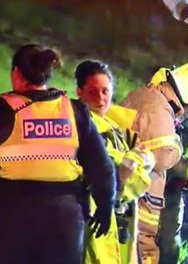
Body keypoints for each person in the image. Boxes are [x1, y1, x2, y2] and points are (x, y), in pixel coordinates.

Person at [0, 44, 116, 264]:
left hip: (11, 219)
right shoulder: (74, 112)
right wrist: (105, 206)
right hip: (64, 221)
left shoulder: (4, 109)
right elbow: (102, 167)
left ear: (16, 73)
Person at [120, 62, 188, 264]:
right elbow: (167, 160)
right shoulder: (157, 112)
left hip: (161, 184)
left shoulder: (174, 98)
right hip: (139, 191)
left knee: (168, 240)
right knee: (143, 245)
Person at [75, 60, 156, 264]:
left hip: (112, 221)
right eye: (93, 92)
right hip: (96, 220)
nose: (101, 99)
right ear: (79, 92)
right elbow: (121, 170)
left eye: (105, 91)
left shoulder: (112, 124)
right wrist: (140, 158)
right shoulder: (89, 129)